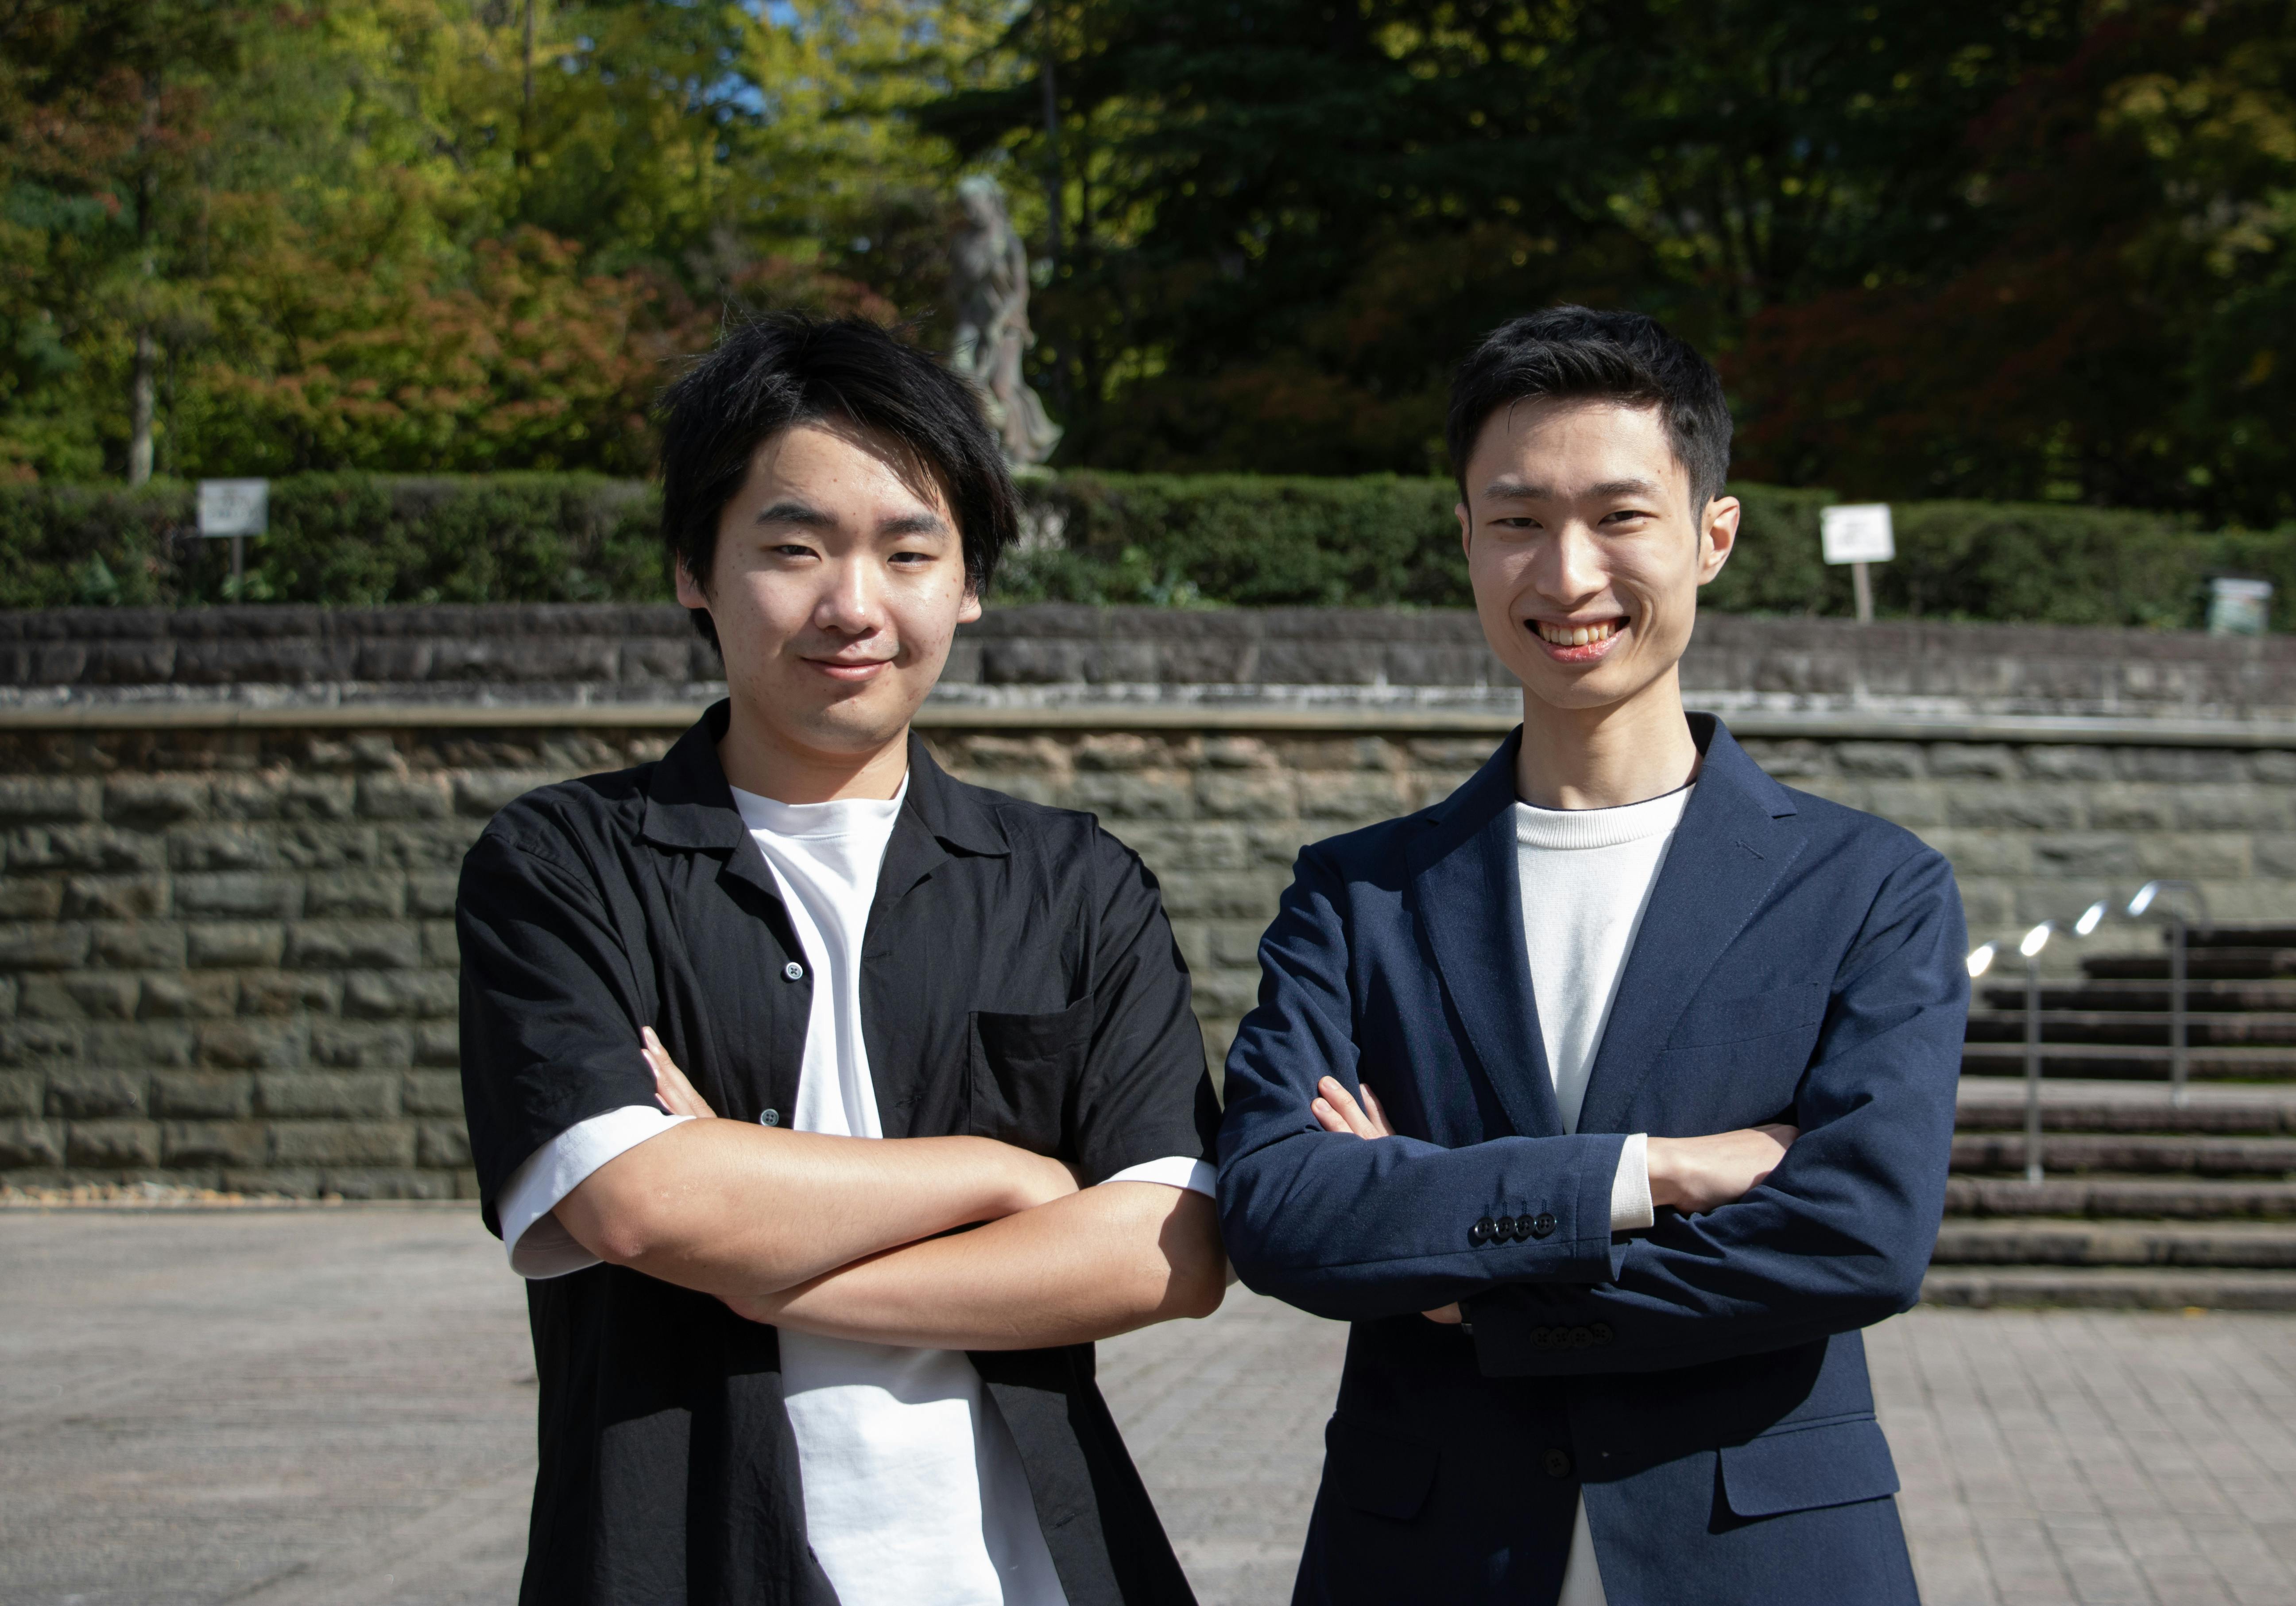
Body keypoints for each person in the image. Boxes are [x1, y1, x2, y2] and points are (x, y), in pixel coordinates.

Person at [456, 312, 1224, 1606]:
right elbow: (638, 1205)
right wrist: (1001, 1173)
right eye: (794, 548)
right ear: (694, 568)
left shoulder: (1073, 884)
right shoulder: (565, 863)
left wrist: (759, 1252)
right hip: (682, 1560)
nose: (853, 606)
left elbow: (1172, 1251)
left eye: (908, 552)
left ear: (967, 581)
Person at [1216, 307, 1968, 1605]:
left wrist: (1472, 1283)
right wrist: (1651, 1171)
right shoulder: (1358, 893)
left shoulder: (1868, 886)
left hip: (1765, 1560)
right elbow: (1281, 1209)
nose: (1567, 576)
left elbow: (1860, 1236)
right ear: (1465, 538)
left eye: (1620, 517)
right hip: (1423, 1559)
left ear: (1711, 536)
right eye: (1518, 520)